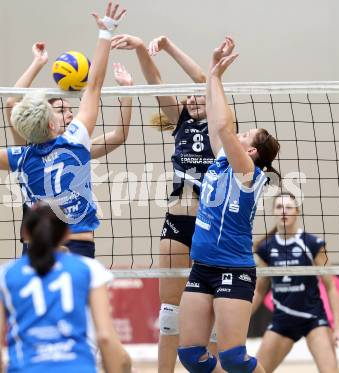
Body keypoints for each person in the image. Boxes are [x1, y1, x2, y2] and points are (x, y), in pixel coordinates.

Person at [0, 2, 127, 259]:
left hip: (37, 250)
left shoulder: (20, 157)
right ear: (52, 124)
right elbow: (95, 85)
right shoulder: (75, 141)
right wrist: (106, 31)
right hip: (77, 245)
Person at [111, 34, 220, 373]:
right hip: (177, 220)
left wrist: (170, 46)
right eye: (187, 96)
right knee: (170, 311)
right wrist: (143, 49)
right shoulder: (181, 122)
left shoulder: (220, 124)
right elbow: (154, 80)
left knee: (212, 308)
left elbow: (204, 80)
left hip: (211, 222)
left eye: (198, 94)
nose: (193, 96)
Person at [177, 37, 280, 373]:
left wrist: (218, 78)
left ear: (250, 151)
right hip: (202, 266)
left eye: (246, 135)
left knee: (234, 359)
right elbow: (215, 117)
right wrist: (211, 70)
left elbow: (222, 124)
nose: (239, 136)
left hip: (234, 269)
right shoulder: (222, 160)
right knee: (192, 356)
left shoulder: (248, 173)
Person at [5, 41, 134, 255]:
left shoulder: (76, 149)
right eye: (61, 110)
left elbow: (119, 135)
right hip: (38, 242)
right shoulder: (28, 150)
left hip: (74, 240)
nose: (70, 114)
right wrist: (38, 63)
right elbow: (12, 103)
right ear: (46, 117)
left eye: (71, 110)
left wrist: (127, 93)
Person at [0, 202, 131, 373]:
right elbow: (105, 338)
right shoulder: (90, 269)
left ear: (26, 233)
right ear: (67, 233)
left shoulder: (2, 276)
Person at [252, 192, 339, 373]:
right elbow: (259, 290)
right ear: (273, 212)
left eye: (288, 207)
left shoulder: (312, 244)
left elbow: (331, 287)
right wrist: (240, 322)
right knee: (257, 370)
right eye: (279, 207)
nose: (283, 212)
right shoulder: (266, 248)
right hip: (282, 320)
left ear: (297, 212)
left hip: (313, 319)